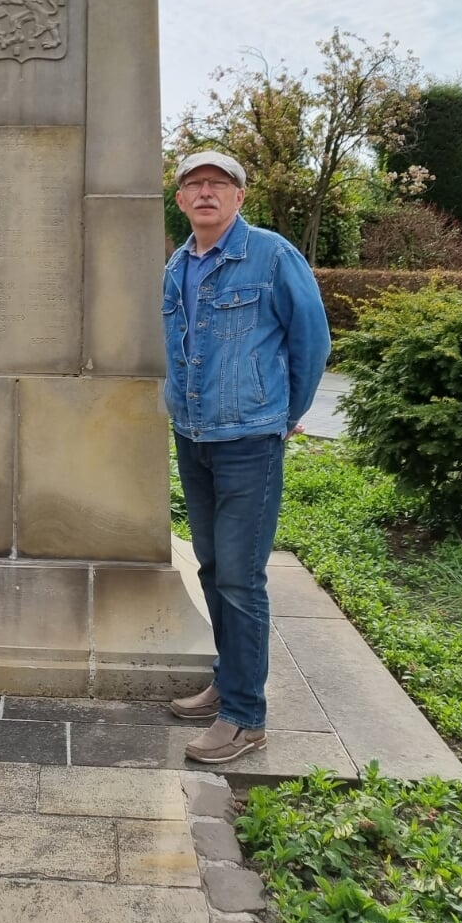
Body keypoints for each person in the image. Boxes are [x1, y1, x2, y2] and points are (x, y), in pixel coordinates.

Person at [163, 151, 330, 763]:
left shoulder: (272, 254)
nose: (206, 192)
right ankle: (226, 681)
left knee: (240, 577)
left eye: (219, 184)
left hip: (249, 440)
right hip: (193, 435)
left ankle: (244, 716)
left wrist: (283, 416)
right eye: (194, 184)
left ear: (239, 197)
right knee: (210, 568)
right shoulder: (177, 265)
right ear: (181, 199)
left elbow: (311, 340)